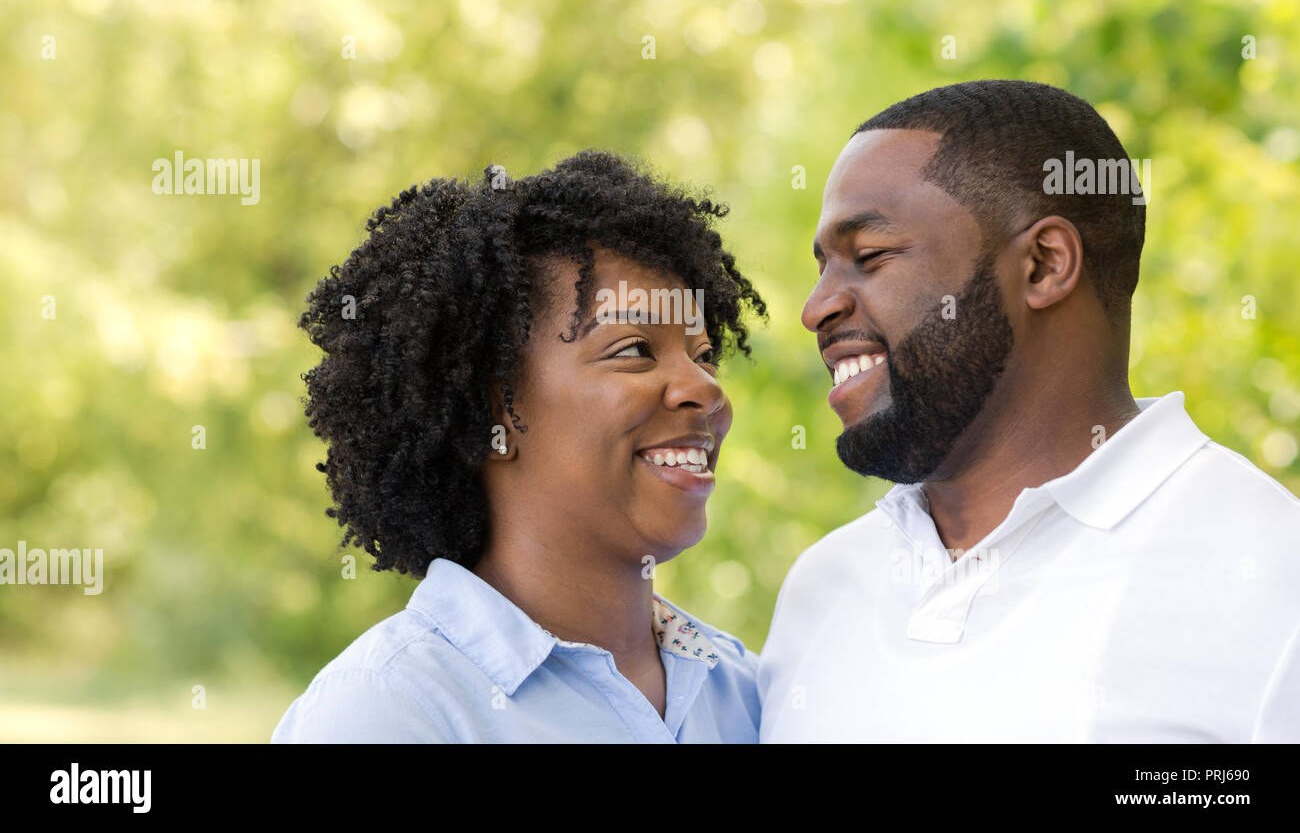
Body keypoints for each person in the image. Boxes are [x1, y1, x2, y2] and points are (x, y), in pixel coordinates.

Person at [759, 79, 1300, 742]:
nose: (815, 309)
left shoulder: (1272, 578)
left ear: (1044, 265)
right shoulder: (821, 593)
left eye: (868, 257)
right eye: (820, 269)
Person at [272, 150, 767, 742]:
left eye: (705, 356)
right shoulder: (388, 710)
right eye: (634, 349)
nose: (705, 389)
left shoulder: (751, 692)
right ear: (493, 414)